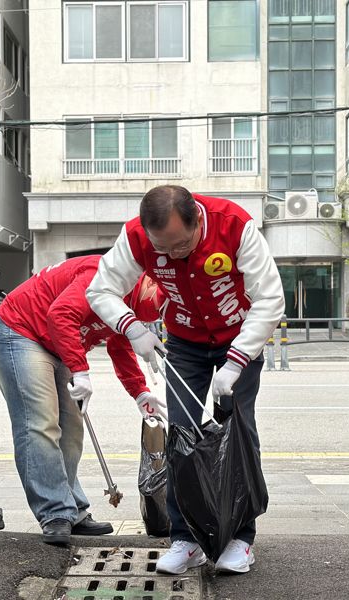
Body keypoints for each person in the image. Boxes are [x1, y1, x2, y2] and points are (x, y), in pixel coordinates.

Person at [86, 185, 285, 574]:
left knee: (239, 432)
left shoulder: (234, 226)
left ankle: (241, 539)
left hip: (239, 336)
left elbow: (270, 298)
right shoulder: (136, 238)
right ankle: (186, 538)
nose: (172, 254)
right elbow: (101, 289)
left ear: (197, 219)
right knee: (182, 435)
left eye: (181, 244)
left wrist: (237, 361)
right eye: (163, 248)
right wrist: (132, 328)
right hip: (185, 343)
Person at [0, 255, 167, 546]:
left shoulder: (131, 304)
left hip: (56, 343)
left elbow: (120, 346)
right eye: (160, 298)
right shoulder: (105, 274)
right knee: (40, 423)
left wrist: (140, 392)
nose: (159, 309)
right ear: (147, 278)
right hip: (19, 331)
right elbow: (61, 314)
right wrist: (80, 371)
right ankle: (56, 513)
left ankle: (73, 510)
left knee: (71, 430)